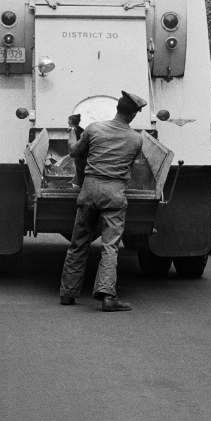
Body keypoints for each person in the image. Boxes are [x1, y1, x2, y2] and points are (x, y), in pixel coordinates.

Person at [59, 91, 146, 312]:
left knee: (78, 242)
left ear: (116, 108)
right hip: (115, 192)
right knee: (110, 246)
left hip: (89, 190)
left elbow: (74, 152)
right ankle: (107, 296)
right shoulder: (136, 139)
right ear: (133, 115)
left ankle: (68, 294)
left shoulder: (94, 128)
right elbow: (132, 164)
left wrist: (71, 127)